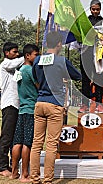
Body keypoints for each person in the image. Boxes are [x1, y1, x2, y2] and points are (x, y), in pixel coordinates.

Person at [30, 31, 81, 184]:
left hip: (40, 103)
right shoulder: (61, 61)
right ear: (59, 44)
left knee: (36, 142)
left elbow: (35, 78)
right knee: (52, 144)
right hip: (55, 104)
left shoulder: (37, 60)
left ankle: (34, 178)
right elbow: (77, 76)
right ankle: (47, 180)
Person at [10, 44, 40, 182]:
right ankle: (24, 174)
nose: (37, 57)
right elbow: (38, 86)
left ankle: (14, 172)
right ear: (27, 56)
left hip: (22, 109)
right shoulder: (30, 70)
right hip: (30, 109)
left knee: (17, 142)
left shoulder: (20, 70)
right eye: (35, 54)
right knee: (27, 143)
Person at [0, 42, 24, 177]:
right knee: (6, 136)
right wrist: (27, 55)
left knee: (14, 137)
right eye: (14, 52)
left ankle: (12, 165)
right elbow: (16, 63)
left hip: (17, 104)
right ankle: (1, 166)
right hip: (9, 104)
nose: (17, 54)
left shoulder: (17, 68)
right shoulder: (6, 64)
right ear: (7, 53)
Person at [79, 0, 103, 113]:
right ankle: (84, 104)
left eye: (97, 9)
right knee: (86, 79)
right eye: (93, 9)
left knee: (99, 79)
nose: (95, 11)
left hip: (99, 53)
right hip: (86, 53)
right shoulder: (86, 21)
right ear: (90, 9)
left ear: (100, 10)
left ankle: (99, 104)